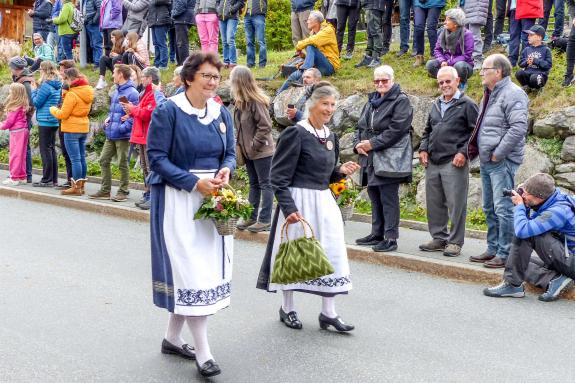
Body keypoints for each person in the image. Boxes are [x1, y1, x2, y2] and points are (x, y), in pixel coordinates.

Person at [147, 51, 234, 378]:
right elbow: (156, 158)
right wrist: (193, 182)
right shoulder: (168, 111)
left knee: (202, 272)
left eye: (216, 76)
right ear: (188, 78)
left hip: (212, 197)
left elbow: (230, 154)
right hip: (178, 199)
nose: (213, 82)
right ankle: (203, 352)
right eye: (207, 76)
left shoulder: (221, 113)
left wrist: (225, 171)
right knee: (191, 272)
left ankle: (172, 338)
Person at [256, 82, 360, 332]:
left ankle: (328, 312)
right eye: (325, 104)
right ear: (313, 104)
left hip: (323, 202)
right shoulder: (296, 133)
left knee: (331, 252)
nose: (330, 109)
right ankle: (288, 307)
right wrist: (289, 208)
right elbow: (277, 176)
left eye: (333, 105)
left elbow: (324, 175)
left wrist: (339, 172)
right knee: (296, 254)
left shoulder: (330, 136)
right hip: (299, 203)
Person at [468, 54, 529, 268]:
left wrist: (498, 153)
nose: (481, 72)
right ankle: (493, 248)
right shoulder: (491, 93)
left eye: (485, 69)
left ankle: (506, 253)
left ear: (498, 71)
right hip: (488, 160)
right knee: (489, 208)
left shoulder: (513, 93)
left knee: (503, 208)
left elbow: (518, 128)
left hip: (501, 161)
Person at [483, 173, 575, 302]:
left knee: (527, 233)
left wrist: (520, 206)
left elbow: (522, 231)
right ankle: (554, 279)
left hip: (571, 261)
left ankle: (513, 285)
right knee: (513, 260)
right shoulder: (549, 200)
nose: (522, 195)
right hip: (566, 257)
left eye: (525, 193)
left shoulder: (557, 211)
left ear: (539, 197)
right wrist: (525, 207)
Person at [418, 66, 478, 257]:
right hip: (433, 161)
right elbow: (428, 130)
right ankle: (439, 238)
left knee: (456, 204)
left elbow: (475, 133)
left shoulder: (467, 104)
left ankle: (455, 242)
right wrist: (423, 149)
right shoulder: (436, 104)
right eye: (441, 82)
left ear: (457, 81)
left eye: (448, 81)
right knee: (434, 202)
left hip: (454, 162)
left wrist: (464, 153)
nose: (444, 85)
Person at [354, 65, 413, 252]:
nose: (380, 84)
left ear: (392, 80)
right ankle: (377, 232)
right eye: (377, 80)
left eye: (384, 80)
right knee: (374, 194)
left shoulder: (401, 101)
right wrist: (358, 143)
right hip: (370, 156)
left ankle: (391, 237)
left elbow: (397, 130)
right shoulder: (371, 100)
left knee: (388, 197)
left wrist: (371, 144)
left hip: (388, 156)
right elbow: (361, 126)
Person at [230, 65, 275, 232]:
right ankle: (251, 217)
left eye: (232, 79)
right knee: (254, 184)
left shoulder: (256, 102)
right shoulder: (241, 102)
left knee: (266, 184)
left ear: (239, 81)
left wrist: (253, 145)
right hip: (248, 151)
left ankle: (264, 219)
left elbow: (265, 126)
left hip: (261, 151)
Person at [89, 64, 139, 202]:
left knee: (122, 163)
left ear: (121, 75)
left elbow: (133, 116)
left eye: (114, 73)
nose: (112, 75)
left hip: (122, 135)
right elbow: (116, 111)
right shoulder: (117, 91)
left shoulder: (131, 93)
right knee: (103, 160)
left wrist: (122, 128)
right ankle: (105, 190)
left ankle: (123, 191)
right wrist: (108, 120)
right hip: (111, 133)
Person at [121, 66, 165, 210]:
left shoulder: (154, 93)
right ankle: (148, 193)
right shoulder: (145, 93)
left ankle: (153, 196)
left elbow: (149, 113)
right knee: (145, 167)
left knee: (150, 167)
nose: (141, 80)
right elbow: (142, 110)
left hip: (148, 136)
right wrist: (131, 111)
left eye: (144, 78)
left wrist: (133, 109)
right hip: (142, 135)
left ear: (150, 78)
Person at [49, 68, 95, 196]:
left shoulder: (72, 94)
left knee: (74, 159)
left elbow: (63, 114)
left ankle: (75, 187)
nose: (65, 81)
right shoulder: (88, 90)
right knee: (81, 158)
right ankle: (81, 186)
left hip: (71, 128)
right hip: (83, 126)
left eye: (65, 79)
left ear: (70, 79)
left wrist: (52, 109)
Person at [277, 11, 340, 94]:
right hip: (319, 65)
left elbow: (313, 41)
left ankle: (303, 73)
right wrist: (304, 56)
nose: (307, 21)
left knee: (310, 45)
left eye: (309, 19)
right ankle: (277, 96)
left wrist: (299, 45)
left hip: (330, 67)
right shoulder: (313, 32)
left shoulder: (328, 30)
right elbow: (316, 55)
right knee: (295, 75)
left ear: (316, 21)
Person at [425, 8, 474, 89]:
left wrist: (449, 62)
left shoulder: (467, 34)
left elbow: (467, 55)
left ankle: (462, 83)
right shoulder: (443, 32)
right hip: (446, 62)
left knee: (460, 65)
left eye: (447, 20)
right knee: (430, 64)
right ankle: (444, 81)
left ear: (455, 23)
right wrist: (442, 61)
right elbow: (437, 50)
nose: (444, 22)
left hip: (463, 65)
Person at [32, 61, 62, 187]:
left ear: (44, 70)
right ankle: (53, 178)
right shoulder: (58, 84)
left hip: (45, 120)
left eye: (40, 70)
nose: (39, 71)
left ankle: (46, 179)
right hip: (54, 119)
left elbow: (37, 103)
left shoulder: (46, 85)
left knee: (45, 150)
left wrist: (34, 91)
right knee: (51, 150)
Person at [9, 57, 34, 184]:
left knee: (24, 148)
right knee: (22, 148)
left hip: (23, 120)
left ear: (15, 68)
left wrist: (23, 115)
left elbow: (30, 102)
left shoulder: (25, 82)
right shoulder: (20, 79)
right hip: (21, 120)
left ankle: (26, 175)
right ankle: (19, 173)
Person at [0, 84, 30, 186]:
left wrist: (1, 125)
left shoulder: (14, 106)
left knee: (15, 155)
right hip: (23, 130)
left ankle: (14, 178)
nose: (9, 92)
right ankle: (22, 176)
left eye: (11, 90)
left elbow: (9, 122)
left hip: (17, 132)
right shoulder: (22, 104)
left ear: (15, 93)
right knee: (21, 155)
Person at [54, 59, 75, 189]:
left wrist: (57, 109)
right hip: (64, 120)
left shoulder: (67, 85)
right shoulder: (64, 84)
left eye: (62, 69)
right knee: (68, 152)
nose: (60, 71)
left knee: (69, 152)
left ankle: (71, 179)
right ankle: (71, 178)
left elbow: (64, 103)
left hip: (66, 121)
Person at [354, 0, 392, 68]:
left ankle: (376, 58)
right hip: (369, 5)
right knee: (370, 33)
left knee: (375, 32)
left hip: (375, 4)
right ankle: (368, 57)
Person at [515, 25, 552, 91]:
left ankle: (538, 88)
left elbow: (548, 65)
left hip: (539, 75)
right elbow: (520, 63)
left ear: (539, 37)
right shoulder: (526, 49)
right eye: (528, 35)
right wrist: (527, 62)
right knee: (519, 73)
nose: (528, 37)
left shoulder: (546, 50)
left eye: (531, 35)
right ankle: (527, 87)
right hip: (528, 73)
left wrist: (535, 61)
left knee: (534, 78)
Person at [508, 0, 542, 66]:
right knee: (513, 35)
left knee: (527, 37)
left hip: (528, 6)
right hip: (514, 7)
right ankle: (512, 61)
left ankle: (524, 60)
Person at [412, 0, 445, 67]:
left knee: (431, 28)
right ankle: (419, 56)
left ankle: (434, 55)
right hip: (419, 3)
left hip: (435, 2)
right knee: (418, 27)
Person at [217, 0, 245, 69]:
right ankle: (226, 62)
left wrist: (232, 9)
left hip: (232, 17)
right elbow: (217, 1)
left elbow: (241, 2)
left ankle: (233, 63)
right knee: (224, 41)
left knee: (230, 40)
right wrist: (218, 9)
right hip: (221, 17)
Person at [463, 0, 489, 69]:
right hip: (465, 8)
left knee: (474, 36)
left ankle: (478, 59)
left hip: (476, 7)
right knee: (465, 36)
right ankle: (468, 59)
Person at [148, 0, 173, 69]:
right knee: (156, 44)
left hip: (161, 21)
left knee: (161, 44)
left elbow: (156, 2)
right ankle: (157, 63)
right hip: (154, 21)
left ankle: (163, 65)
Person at [244, 0, 267, 68]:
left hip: (259, 15)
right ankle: (250, 63)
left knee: (261, 41)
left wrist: (263, 10)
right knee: (249, 42)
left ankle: (262, 64)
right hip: (247, 16)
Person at [171, 0, 195, 66]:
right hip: (183, 17)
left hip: (183, 17)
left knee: (182, 42)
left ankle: (184, 64)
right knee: (179, 42)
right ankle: (180, 63)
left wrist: (173, 14)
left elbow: (181, 4)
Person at [83, 0, 103, 65]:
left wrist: (94, 21)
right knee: (93, 45)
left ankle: (98, 64)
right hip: (88, 24)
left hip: (95, 25)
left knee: (97, 44)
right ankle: (95, 63)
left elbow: (100, 9)